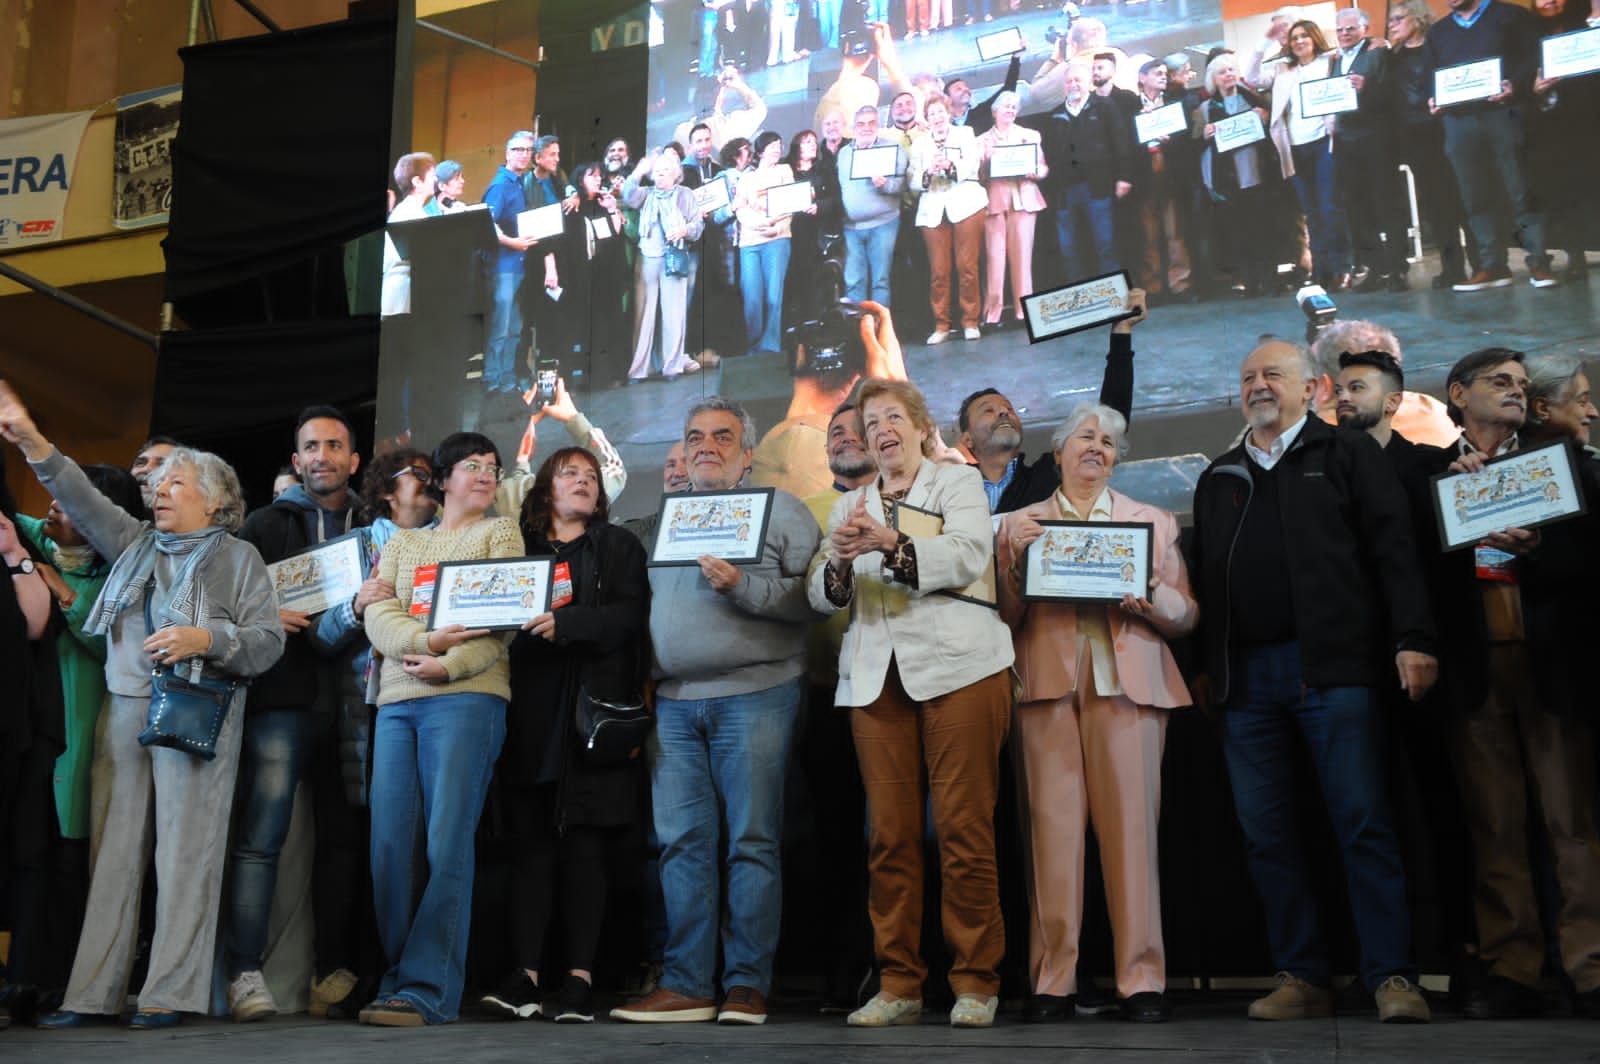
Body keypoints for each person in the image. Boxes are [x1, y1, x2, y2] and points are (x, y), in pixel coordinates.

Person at [0, 383, 284, 1032]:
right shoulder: (134, 543)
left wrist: (205, 639)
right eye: (156, 484)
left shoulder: (240, 558)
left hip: (200, 710)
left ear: (215, 501)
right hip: (127, 707)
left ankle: (169, 992)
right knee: (114, 856)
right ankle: (93, 994)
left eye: (177, 483)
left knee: (186, 854)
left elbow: (267, 642)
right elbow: (78, 496)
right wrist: (31, 439)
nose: (159, 492)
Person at [1189, 339, 1436, 1024]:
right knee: (1266, 836)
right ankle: (1301, 975)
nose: (1258, 386)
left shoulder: (1348, 453)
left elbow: (1394, 550)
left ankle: (1392, 976)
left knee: (1363, 824)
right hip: (1245, 684)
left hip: (1334, 669)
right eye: (1248, 377)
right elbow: (1207, 578)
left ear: (1313, 389)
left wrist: (1414, 638)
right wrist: (1206, 667)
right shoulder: (1219, 475)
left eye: (1273, 374)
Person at [806, 378, 1014, 1029]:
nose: (881, 431)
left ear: (922, 428)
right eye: (871, 424)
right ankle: (899, 983)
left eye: (893, 417)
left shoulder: (956, 482)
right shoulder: (852, 505)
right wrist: (840, 567)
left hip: (962, 669)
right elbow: (820, 592)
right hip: (876, 679)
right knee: (889, 839)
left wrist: (890, 543)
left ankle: (975, 981)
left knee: (962, 831)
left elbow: (969, 555)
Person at [611, 397, 820, 1026]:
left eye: (723, 437)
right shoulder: (667, 520)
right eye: (696, 436)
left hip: (757, 693)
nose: (707, 446)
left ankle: (747, 985)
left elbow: (813, 599)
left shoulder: (781, 509)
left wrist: (742, 585)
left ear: (748, 453)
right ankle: (686, 983)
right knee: (680, 845)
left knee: (752, 842)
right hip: (674, 705)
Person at [995, 403, 1198, 1025]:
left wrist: (1151, 598)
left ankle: (1143, 980)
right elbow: (1001, 617)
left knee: (1134, 838)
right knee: (1050, 839)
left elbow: (1187, 614)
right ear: (1057, 452)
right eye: (1085, 437)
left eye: (1109, 442)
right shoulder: (1019, 524)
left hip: (1129, 687)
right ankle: (1052, 981)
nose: (1097, 447)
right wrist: (1015, 566)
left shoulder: (1152, 521)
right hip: (1046, 688)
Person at [1427, 350, 1600, 1019]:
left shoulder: (1564, 465)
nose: (1517, 394)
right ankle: (1513, 970)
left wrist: (1539, 549)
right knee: (1494, 825)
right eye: (1501, 383)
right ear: (1458, 394)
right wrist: (1448, 498)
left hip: (1551, 662)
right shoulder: (1430, 472)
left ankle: (1589, 968)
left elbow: (1588, 559)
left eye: (1524, 386)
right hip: (1475, 668)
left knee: (1571, 823)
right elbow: (1415, 571)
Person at [357, 432, 523, 1026]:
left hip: (468, 695)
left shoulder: (500, 533)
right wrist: (426, 643)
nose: (485, 475)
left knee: (445, 844)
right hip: (398, 700)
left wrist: (448, 665)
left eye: (493, 468)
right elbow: (378, 612)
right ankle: (397, 977)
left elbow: (501, 622)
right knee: (390, 847)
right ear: (444, 479)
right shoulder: (404, 541)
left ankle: (428, 990)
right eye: (472, 465)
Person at [481, 447, 650, 1025]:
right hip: (529, 712)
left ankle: (580, 980)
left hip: (591, 714)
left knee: (585, 849)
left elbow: (630, 617)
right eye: (568, 473)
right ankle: (525, 978)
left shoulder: (618, 545)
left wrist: (571, 623)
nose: (582, 481)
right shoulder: (518, 547)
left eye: (591, 476)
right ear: (545, 488)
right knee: (529, 846)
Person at [226, 406, 369, 1022]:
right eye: (311, 446)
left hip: (355, 705)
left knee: (344, 843)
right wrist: (264, 615)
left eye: (333, 445)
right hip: (281, 700)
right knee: (262, 839)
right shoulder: (262, 524)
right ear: (296, 459)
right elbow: (227, 604)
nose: (321, 456)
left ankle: (329, 974)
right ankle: (243, 972)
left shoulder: (375, 527)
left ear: (353, 460)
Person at [959, 295, 1143, 513]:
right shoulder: (949, 488)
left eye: (1009, 409)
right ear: (967, 439)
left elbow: (1110, 419)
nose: (1003, 412)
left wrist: (1121, 332)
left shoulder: (1049, 476)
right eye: (988, 410)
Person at [1423, 0, 1555, 291]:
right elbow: (1430, 73)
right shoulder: (1438, 32)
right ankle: (1493, 265)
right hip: (1458, 121)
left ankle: (1538, 262)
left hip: (1504, 113)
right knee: (1475, 196)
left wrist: (1516, 84)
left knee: (1520, 189)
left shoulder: (1511, 16)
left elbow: (1534, 56)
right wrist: (1432, 97)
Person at [1384, 0, 1473, 288]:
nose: (1392, 25)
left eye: (1399, 18)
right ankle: (1452, 268)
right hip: (1414, 137)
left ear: (1418, 18)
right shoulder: (1391, 57)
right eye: (1391, 20)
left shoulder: (1440, 46)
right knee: (1436, 205)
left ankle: (1484, 264)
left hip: (1446, 128)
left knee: (1465, 197)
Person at [1266, 21, 1354, 291]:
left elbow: (1357, 54)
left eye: (1305, 36)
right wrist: (1265, 42)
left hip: (1323, 143)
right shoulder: (1283, 70)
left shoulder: (1331, 61)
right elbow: (1253, 77)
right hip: (1295, 148)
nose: (1299, 41)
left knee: (1330, 208)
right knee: (1312, 213)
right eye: (1294, 38)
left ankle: (1342, 267)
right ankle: (1321, 269)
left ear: (1315, 38)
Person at [1329, 8, 1406, 291]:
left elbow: (1392, 92)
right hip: (1346, 142)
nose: (1344, 34)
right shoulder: (1335, 60)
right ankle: (1375, 269)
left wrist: (1367, 88)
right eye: (1340, 29)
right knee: (1357, 208)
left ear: (1365, 29)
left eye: (1350, 28)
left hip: (1377, 139)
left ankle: (1397, 269)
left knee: (1388, 205)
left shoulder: (1379, 52)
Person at [1040, 63, 1133, 283]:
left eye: (1078, 80)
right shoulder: (1054, 116)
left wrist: (1124, 177)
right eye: (1069, 81)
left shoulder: (1104, 106)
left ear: (1089, 82)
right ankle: (1080, 293)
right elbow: (1049, 155)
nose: (1073, 85)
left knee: (1105, 243)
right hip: (1065, 192)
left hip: (1098, 187)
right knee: (1069, 247)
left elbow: (1120, 143)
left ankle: (1115, 293)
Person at [1194, 54, 1277, 296]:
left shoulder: (1255, 99)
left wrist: (1265, 117)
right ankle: (1250, 282)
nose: (1228, 75)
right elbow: (1193, 144)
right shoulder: (1205, 109)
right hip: (1224, 179)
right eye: (1222, 72)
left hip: (1254, 172)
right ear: (1213, 79)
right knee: (1238, 232)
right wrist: (1204, 135)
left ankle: (1270, 280)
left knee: (1262, 228)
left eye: (1231, 69)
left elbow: (1273, 128)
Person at [908, 92, 985, 344]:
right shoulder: (919, 144)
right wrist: (927, 172)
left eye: (940, 112)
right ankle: (941, 325)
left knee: (967, 268)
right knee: (939, 272)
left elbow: (973, 165)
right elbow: (912, 180)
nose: (937, 117)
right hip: (932, 209)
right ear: (926, 118)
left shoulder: (965, 133)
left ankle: (970, 322)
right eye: (931, 114)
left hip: (966, 204)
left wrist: (951, 166)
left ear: (948, 112)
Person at [622, 150, 706, 381]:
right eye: (657, 171)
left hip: (674, 258)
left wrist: (684, 230)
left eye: (665, 171)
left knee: (674, 314)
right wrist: (639, 171)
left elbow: (698, 225)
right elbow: (628, 194)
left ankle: (672, 366)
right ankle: (640, 369)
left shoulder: (685, 194)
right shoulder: (646, 194)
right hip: (648, 259)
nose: (660, 175)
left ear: (675, 174)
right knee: (644, 316)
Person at [978, 90, 1048, 329]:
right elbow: (978, 176)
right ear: (994, 111)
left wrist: (1035, 173)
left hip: (1024, 200)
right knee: (994, 260)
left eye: (1013, 107)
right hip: (995, 204)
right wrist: (987, 164)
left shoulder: (1030, 135)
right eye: (1005, 106)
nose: (1010, 110)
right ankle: (992, 314)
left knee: (1023, 259)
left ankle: (1023, 312)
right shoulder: (981, 141)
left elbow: (1042, 167)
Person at [563, 161, 635, 387]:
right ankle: (590, 377)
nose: (598, 179)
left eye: (599, 176)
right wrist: (575, 195)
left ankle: (613, 373)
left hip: (606, 274)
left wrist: (613, 208)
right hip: (582, 275)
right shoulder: (573, 205)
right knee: (588, 327)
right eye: (592, 175)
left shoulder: (603, 203)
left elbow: (615, 234)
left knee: (611, 323)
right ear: (580, 180)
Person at [482, 132, 542, 394]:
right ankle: (492, 379)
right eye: (518, 149)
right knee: (501, 327)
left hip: (518, 266)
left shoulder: (519, 183)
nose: (524, 154)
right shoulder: (500, 186)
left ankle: (506, 379)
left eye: (528, 150)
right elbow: (487, 225)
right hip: (503, 267)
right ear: (507, 153)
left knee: (514, 328)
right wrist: (512, 243)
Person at [1129, 60, 1193, 301]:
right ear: (1142, 77)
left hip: (1170, 169)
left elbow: (1186, 137)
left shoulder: (1175, 103)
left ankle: (1181, 284)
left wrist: (1171, 140)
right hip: (1144, 172)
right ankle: (1152, 287)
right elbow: (1124, 142)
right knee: (1148, 233)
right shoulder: (1130, 106)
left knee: (1175, 230)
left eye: (1165, 73)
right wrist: (1140, 125)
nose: (1163, 77)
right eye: (1157, 73)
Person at [837, 107, 906, 306]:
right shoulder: (844, 153)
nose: (866, 127)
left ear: (878, 125)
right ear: (854, 127)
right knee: (853, 282)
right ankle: (857, 325)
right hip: (851, 228)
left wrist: (885, 185)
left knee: (880, 281)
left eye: (871, 123)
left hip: (884, 224)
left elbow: (903, 185)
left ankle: (879, 324)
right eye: (861, 123)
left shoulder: (892, 148)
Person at [734, 131, 795, 357]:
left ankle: (770, 349)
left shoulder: (784, 171)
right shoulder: (746, 178)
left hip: (777, 239)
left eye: (779, 145)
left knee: (773, 296)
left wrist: (777, 228)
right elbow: (740, 209)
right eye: (771, 146)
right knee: (752, 297)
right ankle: (753, 349)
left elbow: (791, 204)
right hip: (750, 242)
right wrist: (763, 223)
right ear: (760, 151)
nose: (777, 149)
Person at [781, 129, 842, 335]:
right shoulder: (784, 168)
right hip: (789, 232)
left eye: (815, 142)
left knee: (813, 280)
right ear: (797, 145)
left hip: (816, 233)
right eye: (807, 142)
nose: (813, 145)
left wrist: (820, 206)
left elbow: (836, 198)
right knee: (789, 280)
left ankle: (813, 326)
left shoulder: (824, 169)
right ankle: (790, 330)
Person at [381, 152, 436, 318]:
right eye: (432, 175)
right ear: (417, 181)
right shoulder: (409, 213)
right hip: (401, 300)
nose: (436, 180)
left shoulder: (413, 210)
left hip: (407, 297)